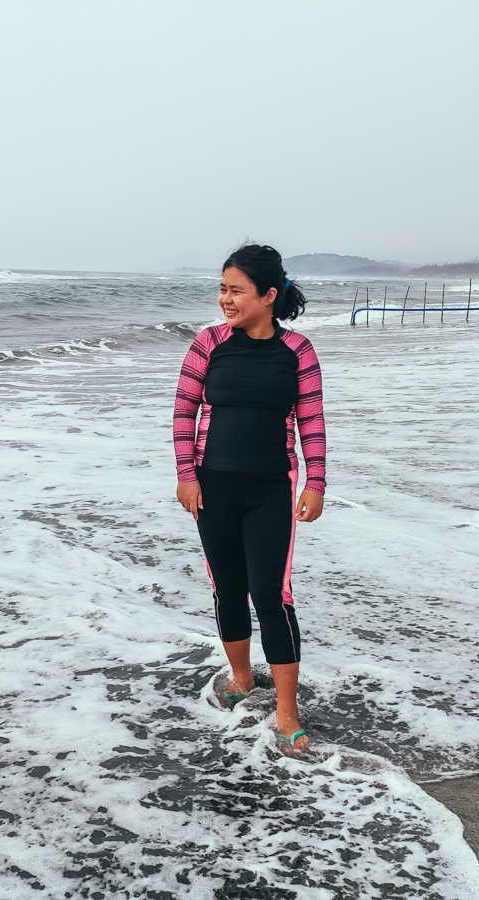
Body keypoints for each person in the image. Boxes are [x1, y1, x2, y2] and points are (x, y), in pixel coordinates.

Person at [172, 242, 326, 754]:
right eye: (222, 289)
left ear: (268, 295)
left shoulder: (297, 351)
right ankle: (241, 677)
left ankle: (287, 711)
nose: (225, 300)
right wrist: (186, 474)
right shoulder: (208, 344)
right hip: (212, 486)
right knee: (227, 587)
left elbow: (311, 421)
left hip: (270, 488)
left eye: (236, 290)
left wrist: (316, 482)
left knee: (272, 595)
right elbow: (183, 412)